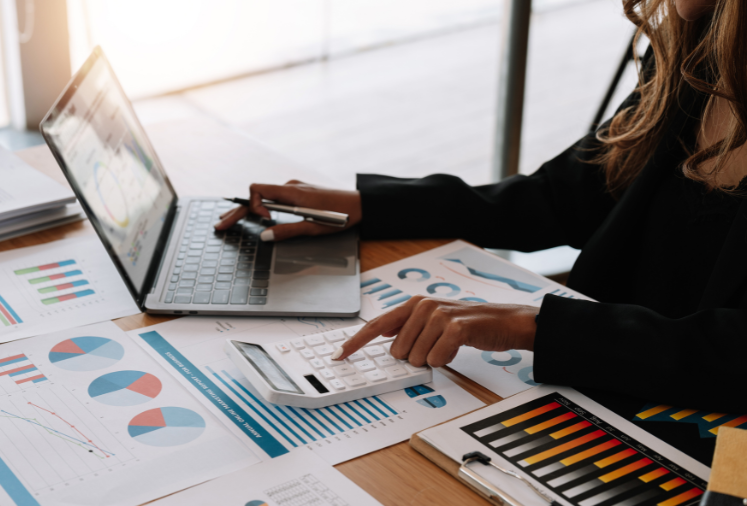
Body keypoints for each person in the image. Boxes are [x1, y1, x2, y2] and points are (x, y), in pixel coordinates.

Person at [215, 0, 747, 463]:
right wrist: (369, 206)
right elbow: (564, 197)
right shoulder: (695, 53)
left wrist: (537, 328)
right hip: (599, 395)